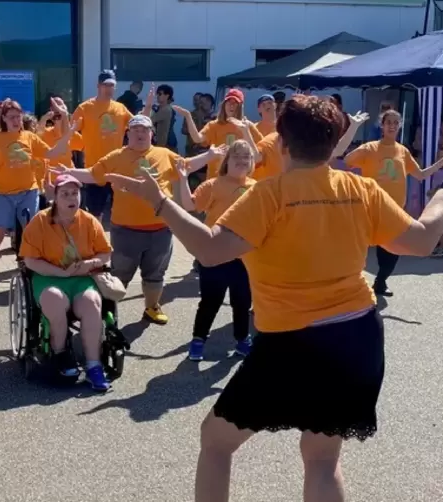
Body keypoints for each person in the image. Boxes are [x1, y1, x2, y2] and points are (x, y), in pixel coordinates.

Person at [106, 94, 443, 501]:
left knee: (216, 440)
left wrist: (159, 202)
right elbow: (423, 241)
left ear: (281, 142)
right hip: (358, 336)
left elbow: (211, 250)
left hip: (292, 340)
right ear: (335, 140)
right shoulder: (360, 189)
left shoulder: (269, 194)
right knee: (321, 458)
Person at [53, 114, 210, 325]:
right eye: (135, 130)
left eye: (144, 130)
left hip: (161, 228)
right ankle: (107, 312)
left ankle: (152, 307)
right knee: (120, 274)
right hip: (126, 229)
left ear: (151, 134)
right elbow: (93, 174)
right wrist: (69, 172)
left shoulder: (165, 154)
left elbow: (187, 166)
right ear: (128, 134)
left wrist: (212, 154)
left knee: (155, 273)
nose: (140, 133)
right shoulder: (116, 156)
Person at [0, 97, 74, 294]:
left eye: (18, 116)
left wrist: (69, 133)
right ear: (4, 119)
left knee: (31, 232)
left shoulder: (29, 137)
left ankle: (35, 273)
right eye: (12, 117)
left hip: (27, 192)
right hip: (1, 194)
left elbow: (52, 153)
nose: (16, 120)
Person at [19, 173, 113, 391]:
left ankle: (93, 365)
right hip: (48, 277)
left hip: (81, 277)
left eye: (75, 193)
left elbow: (105, 254)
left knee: (92, 302)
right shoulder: (40, 221)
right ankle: (60, 353)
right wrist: (60, 273)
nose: (71, 198)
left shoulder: (89, 221)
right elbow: (30, 260)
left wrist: (89, 263)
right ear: (55, 197)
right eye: (65, 194)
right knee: (54, 300)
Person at [344, 108, 443, 297]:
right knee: (358, 247)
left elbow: (420, 175)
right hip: (370, 208)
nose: (392, 126)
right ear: (382, 125)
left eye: (395, 123)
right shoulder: (369, 148)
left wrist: (439, 164)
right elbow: (346, 160)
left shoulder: (402, 151)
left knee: (390, 252)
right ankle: (350, 285)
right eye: (388, 122)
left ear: (399, 126)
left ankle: (380, 282)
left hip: (395, 210)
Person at [175, 140, 253, 360]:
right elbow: (190, 205)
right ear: (227, 162)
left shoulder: (257, 187)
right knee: (210, 301)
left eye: (246, 157)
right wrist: (182, 178)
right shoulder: (214, 184)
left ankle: (242, 340)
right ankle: (198, 340)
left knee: (242, 302)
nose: (241, 160)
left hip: (244, 258)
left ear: (251, 163)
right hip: (215, 255)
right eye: (236, 156)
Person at [72, 70, 150, 219]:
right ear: (98, 86)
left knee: (121, 209)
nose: (109, 89)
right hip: (95, 167)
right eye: (105, 85)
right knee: (95, 213)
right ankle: (95, 240)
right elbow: (70, 132)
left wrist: (148, 107)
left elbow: (139, 126)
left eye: (112, 86)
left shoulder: (120, 108)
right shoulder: (85, 108)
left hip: (118, 168)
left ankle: (120, 240)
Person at [175, 89, 263, 181]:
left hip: (240, 180)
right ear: (224, 105)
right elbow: (197, 138)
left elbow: (258, 157)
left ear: (240, 107)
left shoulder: (248, 126)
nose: (231, 106)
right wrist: (188, 116)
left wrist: (246, 131)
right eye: (228, 102)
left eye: (235, 103)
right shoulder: (214, 125)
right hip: (216, 178)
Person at [152, 84, 177, 151]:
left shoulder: (166, 109)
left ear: (167, 96)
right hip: (163, 144)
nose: (157, 96)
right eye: (157, 94)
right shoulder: (161, 108)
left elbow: (150, 120)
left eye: (160, 94)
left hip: (166, 144)